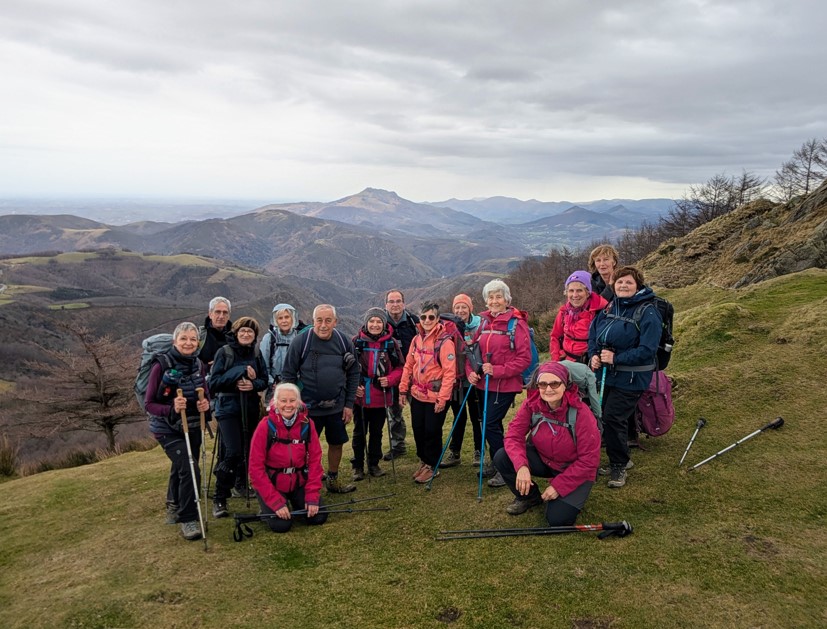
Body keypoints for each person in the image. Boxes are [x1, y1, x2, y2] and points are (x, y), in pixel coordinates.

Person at [493, 362, 600, 524]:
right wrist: (521, 466)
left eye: (554, 383)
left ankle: (566, 494)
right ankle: (530, 497)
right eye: (543, 384)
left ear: (566, 385)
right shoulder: (531, 404)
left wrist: (558, 486)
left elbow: (589, 461)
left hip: (574, 469)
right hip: (545, 460)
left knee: (557, 520)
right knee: (502, 457)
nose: (548, 389)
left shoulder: (581, 414)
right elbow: (513, 436)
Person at [588, 266, 661, 488]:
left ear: (638, 285)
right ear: (613, 285)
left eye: (628, 282)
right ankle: (620, 459)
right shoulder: (610, 306)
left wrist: (616, 358)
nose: (623, 285)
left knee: (613, 417)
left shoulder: (648, 312)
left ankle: (619, 464)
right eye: (619, 282)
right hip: (606, 374)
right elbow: (594, 334)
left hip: (632, 378)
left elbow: (648, 350)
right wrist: (594, 356)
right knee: (606, 417)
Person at [282, 304, 361, 494]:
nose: (323, 325)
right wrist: (292, 405)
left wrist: (349, 404)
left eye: (328, 320)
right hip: (307, 408)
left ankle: (332, 479)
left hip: (337, 406)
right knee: (305, 446)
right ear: (313, 321)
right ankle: (308, 482)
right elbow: (288, 374)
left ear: (335, 322)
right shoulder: (301, 342)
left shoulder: (343, 341)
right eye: (319, 320)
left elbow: (354, 373)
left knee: (336, 442)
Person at [145, 321, 211, 541]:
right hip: (167, 428)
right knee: (190, 469)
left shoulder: (199, 364)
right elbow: (149, 404)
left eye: (193, 339)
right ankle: (188, 519)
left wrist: (205, 404)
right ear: (175, 341)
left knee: (182, 465)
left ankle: (173, 505)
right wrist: (172, 408)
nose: (188, 343)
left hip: (191, 425)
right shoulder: (161, 366)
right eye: (184, 339)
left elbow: (206, 393)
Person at [467, 279, 532, 488]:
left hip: (504, 386)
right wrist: (471, 372)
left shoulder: (516, 324)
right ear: (486, 301)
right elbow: (473, 352)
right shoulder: (483, 323)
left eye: (498, 297)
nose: (494, 301)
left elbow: (524, 359)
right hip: (483, 385)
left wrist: (497, 370)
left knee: (490, 424)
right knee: (488, 424)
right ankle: (498, 462)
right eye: (491, 297)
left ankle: (505, 468)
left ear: (507, 299)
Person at [208, 316, 268, 517]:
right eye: (242, 330)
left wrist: (253, 385)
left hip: (250, 407)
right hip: (227, 409)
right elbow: (214, 383)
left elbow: (264, 380)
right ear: (235, 333)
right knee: (232, 452)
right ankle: (220, 497)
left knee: (248, 450)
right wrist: (240, 371)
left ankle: (240, 485)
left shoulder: (256, 353)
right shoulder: (224, 352)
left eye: (250, 331)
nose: (246, 334)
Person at [248, 383, 328, 533]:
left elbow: (315, 461)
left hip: (299, 481)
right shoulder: (264, 426)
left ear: (298, 402)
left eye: (292, 400)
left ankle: (295, 503)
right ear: (275, 402)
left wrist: (312, 496)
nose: (288, 405)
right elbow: (255, 468)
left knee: (318, 517)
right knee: (281, 525)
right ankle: (270, 506)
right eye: (283, 401)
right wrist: (275, 502)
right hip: (273, 484)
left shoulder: (307, 424)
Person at [399, 301, 456, 483]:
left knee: (432, 430)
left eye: (431, 317)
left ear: (438, 319)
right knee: (418, 429)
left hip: (435, 395)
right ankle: (424, 461)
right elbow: (408, 365)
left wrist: (443, 398)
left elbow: (450, 373)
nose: (427, 320)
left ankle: (432, 466)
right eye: (423, 317)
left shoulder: (445, 342)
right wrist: (403, 389)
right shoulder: (416, 340)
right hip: (417, 394)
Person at [351, 308, 404, 481]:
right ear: (366, 323)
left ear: (384, 324)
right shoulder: (356, 342)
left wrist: (390, 379)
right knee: (359, 432)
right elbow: (346, 368)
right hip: (360, 396)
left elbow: (400, 367)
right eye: (371, 321)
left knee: (377, 432)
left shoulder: (391, 343)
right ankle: (357, 465)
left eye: (379, 321)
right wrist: (354, 386)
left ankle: (373, 463)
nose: (375, 325)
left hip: (381, 395)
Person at [440, 293, 483, 468]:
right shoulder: (449, 327)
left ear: (470, 308)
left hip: (475, 380)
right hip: (457, 381)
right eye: (457, 307)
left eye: (464, 307)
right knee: (459, 416)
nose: (460, 310)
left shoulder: (479, 326)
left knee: (477, 416)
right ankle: (455, 452)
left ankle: (479, 451)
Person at [382, 289, 420, 461]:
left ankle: (423, 446)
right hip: (392, 375)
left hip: (414, 375)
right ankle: (398, 446)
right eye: (391, 301)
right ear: (386, 305)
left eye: (398, 301)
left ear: (404, 303)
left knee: (418, 411)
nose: (395, 305)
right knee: (394, 412)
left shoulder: (414, 322)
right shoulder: (381, 323)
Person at [549, 271, 608, 364]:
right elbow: (555, 336)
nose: (575, 295)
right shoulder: (564, 311)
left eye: (579, 290)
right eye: (571, 291)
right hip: (565, 361)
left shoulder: (599, 311)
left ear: (588, 293)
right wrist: (556, 361)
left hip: (589, 363)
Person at [259, 302, 306, 405]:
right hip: (273, 388)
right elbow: (263, 366)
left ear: (292, 318)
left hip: (297, 387)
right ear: (275, 320)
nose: (284, 321)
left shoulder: (300, 338)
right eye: (280, 318)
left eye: (287, 317)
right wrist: (273, 383)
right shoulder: (269, 339)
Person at [198, 296, 232, 365]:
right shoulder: (199, 335)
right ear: (210, 314)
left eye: (225, 312)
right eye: (217, 312)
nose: (221, 316)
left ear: (228, 316)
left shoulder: (235, 336)